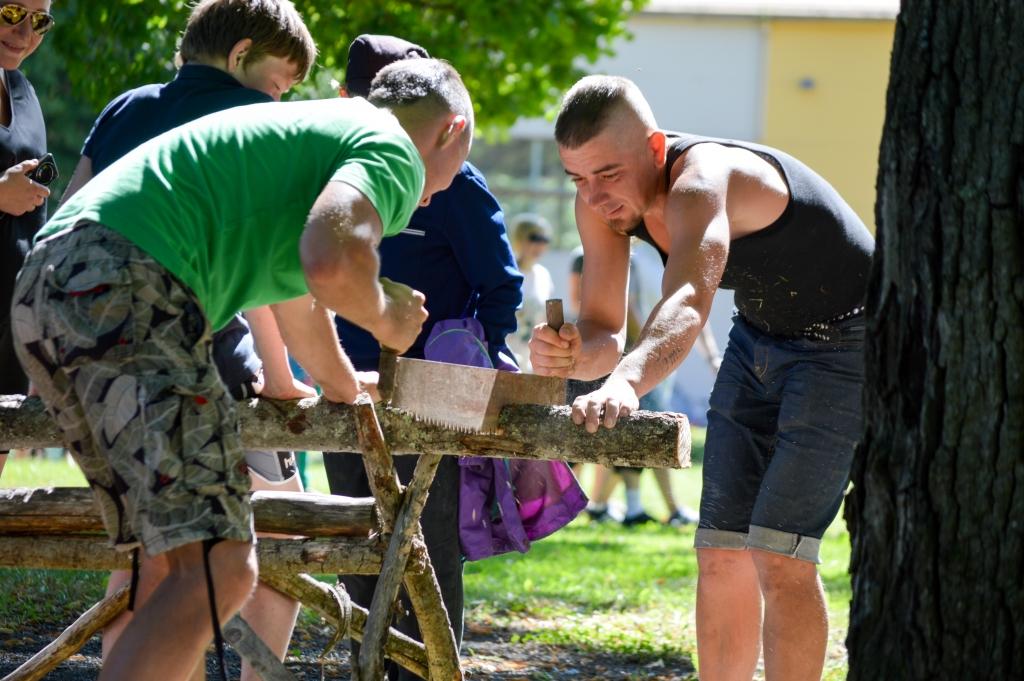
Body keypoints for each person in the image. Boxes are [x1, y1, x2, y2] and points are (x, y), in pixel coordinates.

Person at [11, 57, 474, 681]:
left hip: (49, 290)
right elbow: (333, 262)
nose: (430, 194)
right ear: (451, 128)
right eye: (445, 180)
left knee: (176, 569)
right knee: (222, 568)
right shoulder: (391, 144)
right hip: (128, 283)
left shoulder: (309, 138)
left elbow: (299, 299)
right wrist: (387, 316)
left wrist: (342, 387)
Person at [530, 75, 872, 680]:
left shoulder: (701, 180)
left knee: (780, 552)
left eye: (608, 174)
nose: (595, 196)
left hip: (847, 341)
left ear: (655, 149)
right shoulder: (600, 203)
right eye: (577, 179)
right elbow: (605, 330)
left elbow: (689, 298)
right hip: (760, 336)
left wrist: (626, 384)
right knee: (719, 551)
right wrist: (572, 357)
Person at [54, 2, 316, 677]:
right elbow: (260, 274)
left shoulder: (128, 107)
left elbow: (67, 220)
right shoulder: (251, 123)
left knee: (151, 556)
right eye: (283, 80)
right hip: (207, 364)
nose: (283, 97)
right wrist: (284, 380)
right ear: (239, 56)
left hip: (95, 362)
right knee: (281, 530)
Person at [325, 34, 523, 681]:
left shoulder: (457, 185)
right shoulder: (342, 170)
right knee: (357, 539)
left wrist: (462, 370)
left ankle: (434, 668)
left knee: (427, 548)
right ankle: (367, 664)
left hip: (429, 392)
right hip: (345, 382)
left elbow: (501, 287)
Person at [0, 0, 54, 478]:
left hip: (12, 321)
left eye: (39, 20)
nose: (24, 31)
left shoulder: (22, 88)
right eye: (12, 12)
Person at [507, 213, 554, 371]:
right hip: (504, 357)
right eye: (534, 238)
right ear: (519, 239)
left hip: (530, 363)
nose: (540, 245)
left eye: (544, 240)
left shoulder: (543, 275)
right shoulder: (507, 272)